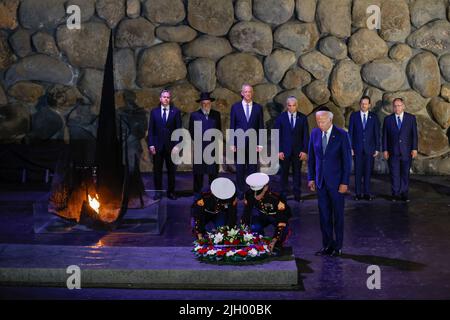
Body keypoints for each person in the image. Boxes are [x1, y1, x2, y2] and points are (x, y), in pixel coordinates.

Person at [307, 109, 352, 257]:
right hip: (321, 182)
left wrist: (345, 182)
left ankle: (338, 246)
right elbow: (312, 158)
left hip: (337, 183)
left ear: (330, 120)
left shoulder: (342, 135)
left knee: (337, 215)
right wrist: (311, 178)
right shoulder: (314, 134)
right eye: (318, 121)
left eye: (323, 121)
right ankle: (327, 245)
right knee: (324, 216)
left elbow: (347, 161)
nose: (320, 124)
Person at [241, 172, 292, 253]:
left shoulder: (275, 196)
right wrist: (244, 231)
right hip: (263, 215)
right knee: (254, 226)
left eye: (258, 193)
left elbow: (282, 218)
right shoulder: (249, 194)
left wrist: (275, 238)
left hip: (277, 216)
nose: (255, 196)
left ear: (265, 188)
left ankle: (278, 245)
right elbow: (246, 212)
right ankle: (260, 242)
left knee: (284, 229)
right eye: (254, 192)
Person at [229, 84, 264, 199]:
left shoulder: (258, 108)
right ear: (242, 93)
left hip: (254, 144)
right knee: (240, 169)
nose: (248, 94)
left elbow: (261, 126)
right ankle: (240, 192)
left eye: (250, 92)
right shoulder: (235, 107)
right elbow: (232, 126)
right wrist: (232, 143)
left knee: (253, 169)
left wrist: (260, 144)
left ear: (252, 93)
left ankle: (251, 193)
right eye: (245, 91)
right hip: (239, 144)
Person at [147, 89, 182, 200]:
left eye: (168, 97)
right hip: (157, 147)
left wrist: (177, 145)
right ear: (160, 98)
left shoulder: (175, 112)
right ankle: (158, 192)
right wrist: (151, 144)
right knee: (157, 171)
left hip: (172, 148)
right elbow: (151, 129)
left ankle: (171, 192)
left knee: (171, 171)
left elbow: (179, 130)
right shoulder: (154, 112)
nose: (166, 99)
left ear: (169, 99)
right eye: (164, 97)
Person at [273, 96, 309, 202]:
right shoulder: (281, 118)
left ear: (297, 105)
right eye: (289, 105)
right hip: (284, 151)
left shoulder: (302, 118)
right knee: (283, 174)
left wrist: (304, 150)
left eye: (294, 105)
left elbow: (306, 135)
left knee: (297, 173)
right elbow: (276, 136)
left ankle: (297, 195)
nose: (292, 108)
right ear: (286, 105)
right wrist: (278, 151)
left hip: (298, 152)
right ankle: (283, 196)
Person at [382, 97, 418, 202]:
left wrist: (414, 148)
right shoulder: (388, 120)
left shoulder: (410, 118)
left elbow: (414, 135)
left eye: (399, 105)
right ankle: (395, 194)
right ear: (393, 107)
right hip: (393, 152)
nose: (397, 108)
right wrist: (385, 149)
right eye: (395, 106)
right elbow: (384, 136)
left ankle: (404, 193)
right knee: (394, 173)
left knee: (405, 173)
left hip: (406, 151)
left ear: (403, 106)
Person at [348, 96, 381, 201]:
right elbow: (350, 133)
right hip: (357, 149)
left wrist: (377, 148)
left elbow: (377, 134)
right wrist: (350, 147)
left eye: (366, 103)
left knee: (367, 172)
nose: (364, 105)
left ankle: (367, 193)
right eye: (362, 103)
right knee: (358, 172)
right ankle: (358, 193)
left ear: (369, 105)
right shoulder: (354, 116)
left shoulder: (374, 117)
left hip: (369, 149)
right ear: (360, 104)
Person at [189, 92, 222, 197]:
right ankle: (197, 192)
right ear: (200, 104)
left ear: (210, 103)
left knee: (213, 171)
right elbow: (191, 130)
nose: (206, 105)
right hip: (200, 147)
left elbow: (218, 130)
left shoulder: (216, 114)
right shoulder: (194, 115)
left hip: (213, 147)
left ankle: (214, 192)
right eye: (203, 103)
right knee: (199, 172)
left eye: (208, 103)